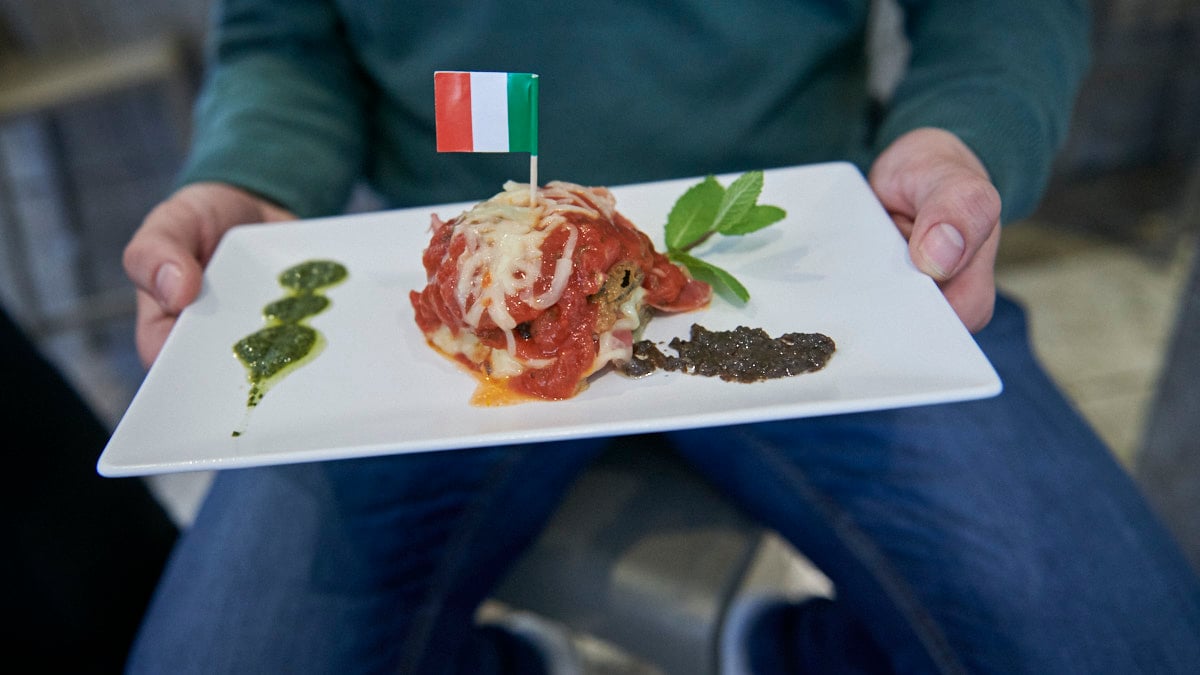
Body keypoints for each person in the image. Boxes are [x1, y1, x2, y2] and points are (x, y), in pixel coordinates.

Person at [120, 1, 1200, 673]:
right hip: (435, 277)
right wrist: (251, 177)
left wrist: (961, 132)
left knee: (1122, 650)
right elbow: (286, 43)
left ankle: (787, 658)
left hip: (807, 248)